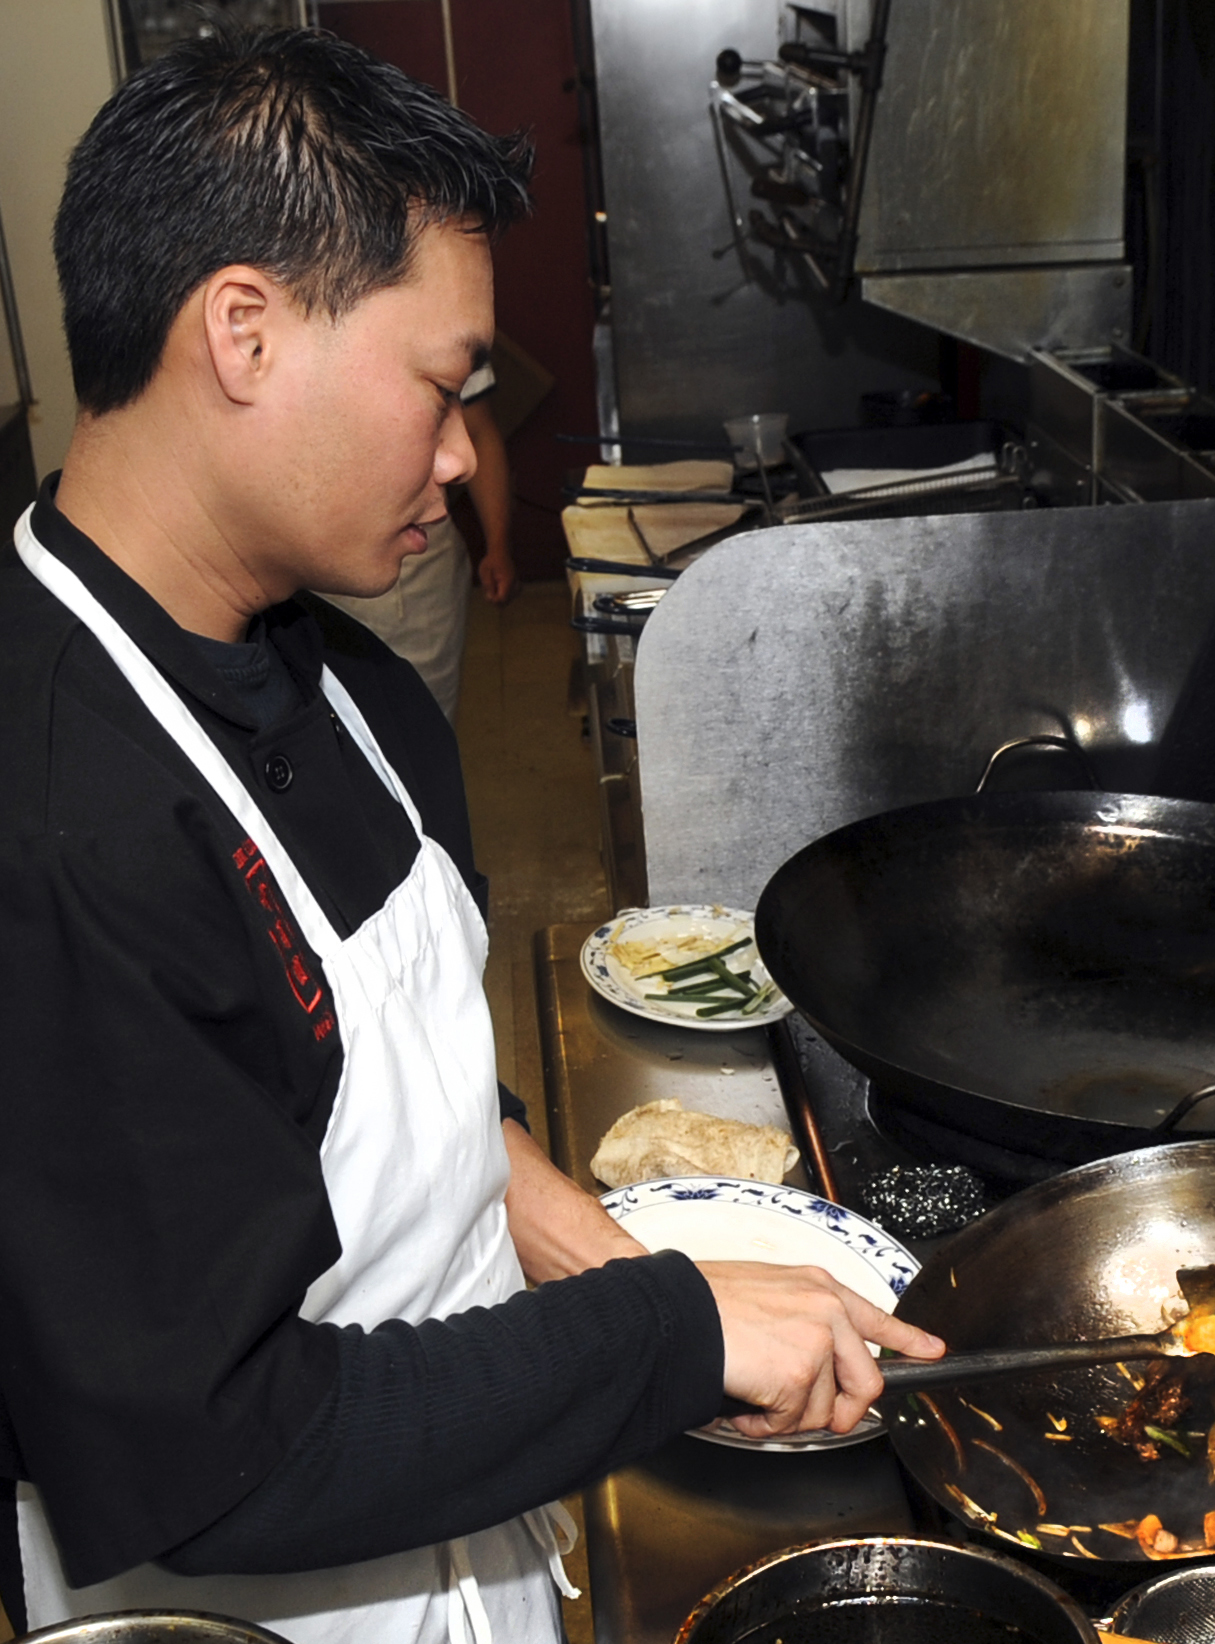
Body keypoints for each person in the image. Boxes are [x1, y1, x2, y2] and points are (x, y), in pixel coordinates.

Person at [0, 26, 943, 1644]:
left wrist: (608, 1253)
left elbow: (398, 1102)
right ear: (244, 332)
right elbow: (207, 1459)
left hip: (467, 1541)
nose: (459, 450)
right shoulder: (58, 833)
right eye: (441, 387)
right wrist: (668, 1332)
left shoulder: (348, 679)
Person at [321, 366, 515, 719]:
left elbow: (478, 428)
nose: (458, 464)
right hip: (292, 565)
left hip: (410, 568)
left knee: (412, 724)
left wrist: (498, 544)